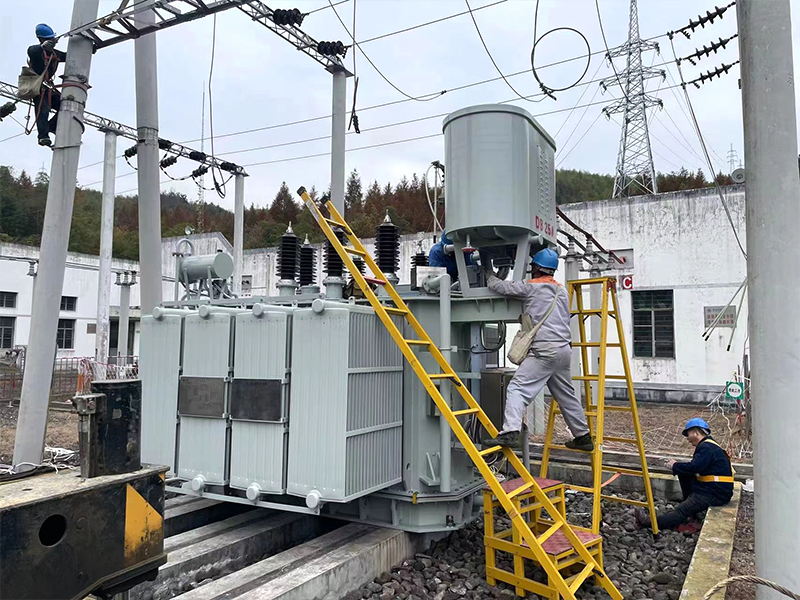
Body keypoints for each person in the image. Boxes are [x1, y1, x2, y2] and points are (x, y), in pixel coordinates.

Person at [482, 248, 593, 452]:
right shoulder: (561, 291)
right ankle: (583, 436)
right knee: (566, 395)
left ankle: (510, 431)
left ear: (536, 268)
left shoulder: (531, 287)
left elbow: (501, 287)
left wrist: (488, 275)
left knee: (517, 388)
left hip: (544, 350)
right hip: (564, 351)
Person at [635, 418, 734, 531]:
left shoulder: (706, 447)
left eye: (688, 434)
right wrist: (677, 467)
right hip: (717, 490)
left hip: (715, 494)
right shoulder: (710, 445)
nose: (687, 438)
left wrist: (674, 466)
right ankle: (692, 509)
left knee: (682, 510)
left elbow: (694, 467)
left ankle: (650, 523)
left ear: (696, 432)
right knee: (684, 473)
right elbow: (693, 468)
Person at [27, 24, 66, 146]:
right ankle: (43, 136)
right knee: (43, 110)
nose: (52, 42)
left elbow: (68, 56)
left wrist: (89, 49)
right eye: (49, 40)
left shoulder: (55, 54)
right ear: (42, 39)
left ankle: (50, 127)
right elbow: (32, 50)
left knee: (65, 105)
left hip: (49, 87)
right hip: (39, 87)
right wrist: (42, 47)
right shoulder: (36, 52)